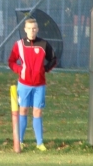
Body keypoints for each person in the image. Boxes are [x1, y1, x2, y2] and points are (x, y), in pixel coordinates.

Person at [8, 18, 57, 151]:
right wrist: (19, 70)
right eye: (29, 28)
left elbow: (53, 58)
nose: (32, 31)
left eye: (34, 28)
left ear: (37, 29)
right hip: (24, 84)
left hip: (39, 85)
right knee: (23, 110)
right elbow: (11, 61)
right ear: (25, 30)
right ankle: (21, 141)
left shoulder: (43, 44)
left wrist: (44, 69)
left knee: (37, 111)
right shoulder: (19, 44)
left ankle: (39, 142)